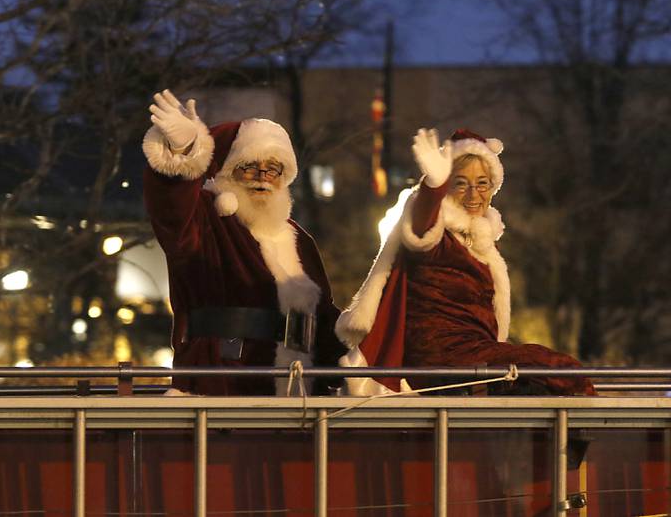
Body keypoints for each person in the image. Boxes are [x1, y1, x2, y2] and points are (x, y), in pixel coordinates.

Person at [335, 128, 594, 396]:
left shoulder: (482, 245)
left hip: (474, 352)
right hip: (441, 355)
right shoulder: (438, 238)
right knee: (560, 369)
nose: (473, 195)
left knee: (547, 383)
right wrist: (432, 187)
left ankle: (565, 435)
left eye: (482, 183)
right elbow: (422, 226)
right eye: (460, 183)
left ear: (493, 188)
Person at [142, 89, 344, 396]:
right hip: (222, 379)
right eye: (249, 166)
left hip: (297, 388)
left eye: (273, 169)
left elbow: (324, 317)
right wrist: (184, 153)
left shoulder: (299, 239)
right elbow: (171, 207)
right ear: (227, 172)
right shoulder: (206, 222)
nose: (262, 177)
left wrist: (356, 345)